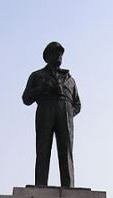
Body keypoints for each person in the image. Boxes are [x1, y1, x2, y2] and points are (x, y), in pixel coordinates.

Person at [22, 42, 81, 187]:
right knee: (43, 149)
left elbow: (78, 104)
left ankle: (68, 186)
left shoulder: (70, 79)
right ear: (47, 57)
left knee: (66, 150)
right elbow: (26, 98)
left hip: (65, 112)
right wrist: (43, 88)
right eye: (55, 52)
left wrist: (68, 113)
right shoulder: (37, 76)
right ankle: (41, 184)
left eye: (61, 53)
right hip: (45, 109)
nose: (59, 56)